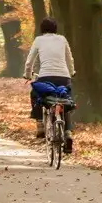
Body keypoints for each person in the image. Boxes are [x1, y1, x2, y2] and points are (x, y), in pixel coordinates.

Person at [24, 17, 75, 153]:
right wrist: (72, 72)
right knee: (65, 103)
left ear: (42, 29)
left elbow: (29, 62)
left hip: (45, 76)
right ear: (55, 28)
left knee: (35, 93)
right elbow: (69, 59)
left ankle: (40, 124)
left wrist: (27, 75)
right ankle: (68, 133)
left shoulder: (39, 40)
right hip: (64, 77)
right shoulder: (62, 39)